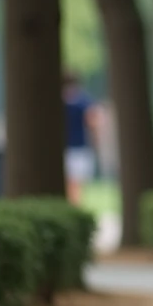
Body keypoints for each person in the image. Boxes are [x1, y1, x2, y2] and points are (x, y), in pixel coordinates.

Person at [62, 71, 100, 206]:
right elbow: (93, 123)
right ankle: (75, 207)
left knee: (71, 185)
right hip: (80, 148)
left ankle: (72, 206)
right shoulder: (84, 101)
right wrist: (95, 142)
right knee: (77, 185)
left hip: (67, 148)